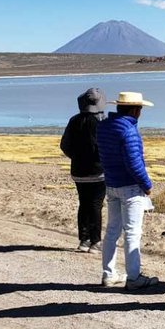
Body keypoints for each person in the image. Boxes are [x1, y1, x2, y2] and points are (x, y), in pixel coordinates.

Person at [97, 91, 159, 290]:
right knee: (132, 232)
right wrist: (147, 185)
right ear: (134, 109)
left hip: (111, 184)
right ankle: (133, 277)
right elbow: (134, 163)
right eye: (139, 109)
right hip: (129, 187)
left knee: (112, 231)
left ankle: (109, 273)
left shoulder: (104, 126)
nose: (140, 113)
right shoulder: (128, 130)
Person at [60, 88, 107, 254]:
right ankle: (95, 242)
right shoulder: (102, 121)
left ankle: (84, 240)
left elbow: (64, 145)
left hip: (78, 171)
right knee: (95, 205)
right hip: (98, 172)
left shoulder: (74, 121)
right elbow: (106, 146)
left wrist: (77, 157)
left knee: (84, 204)